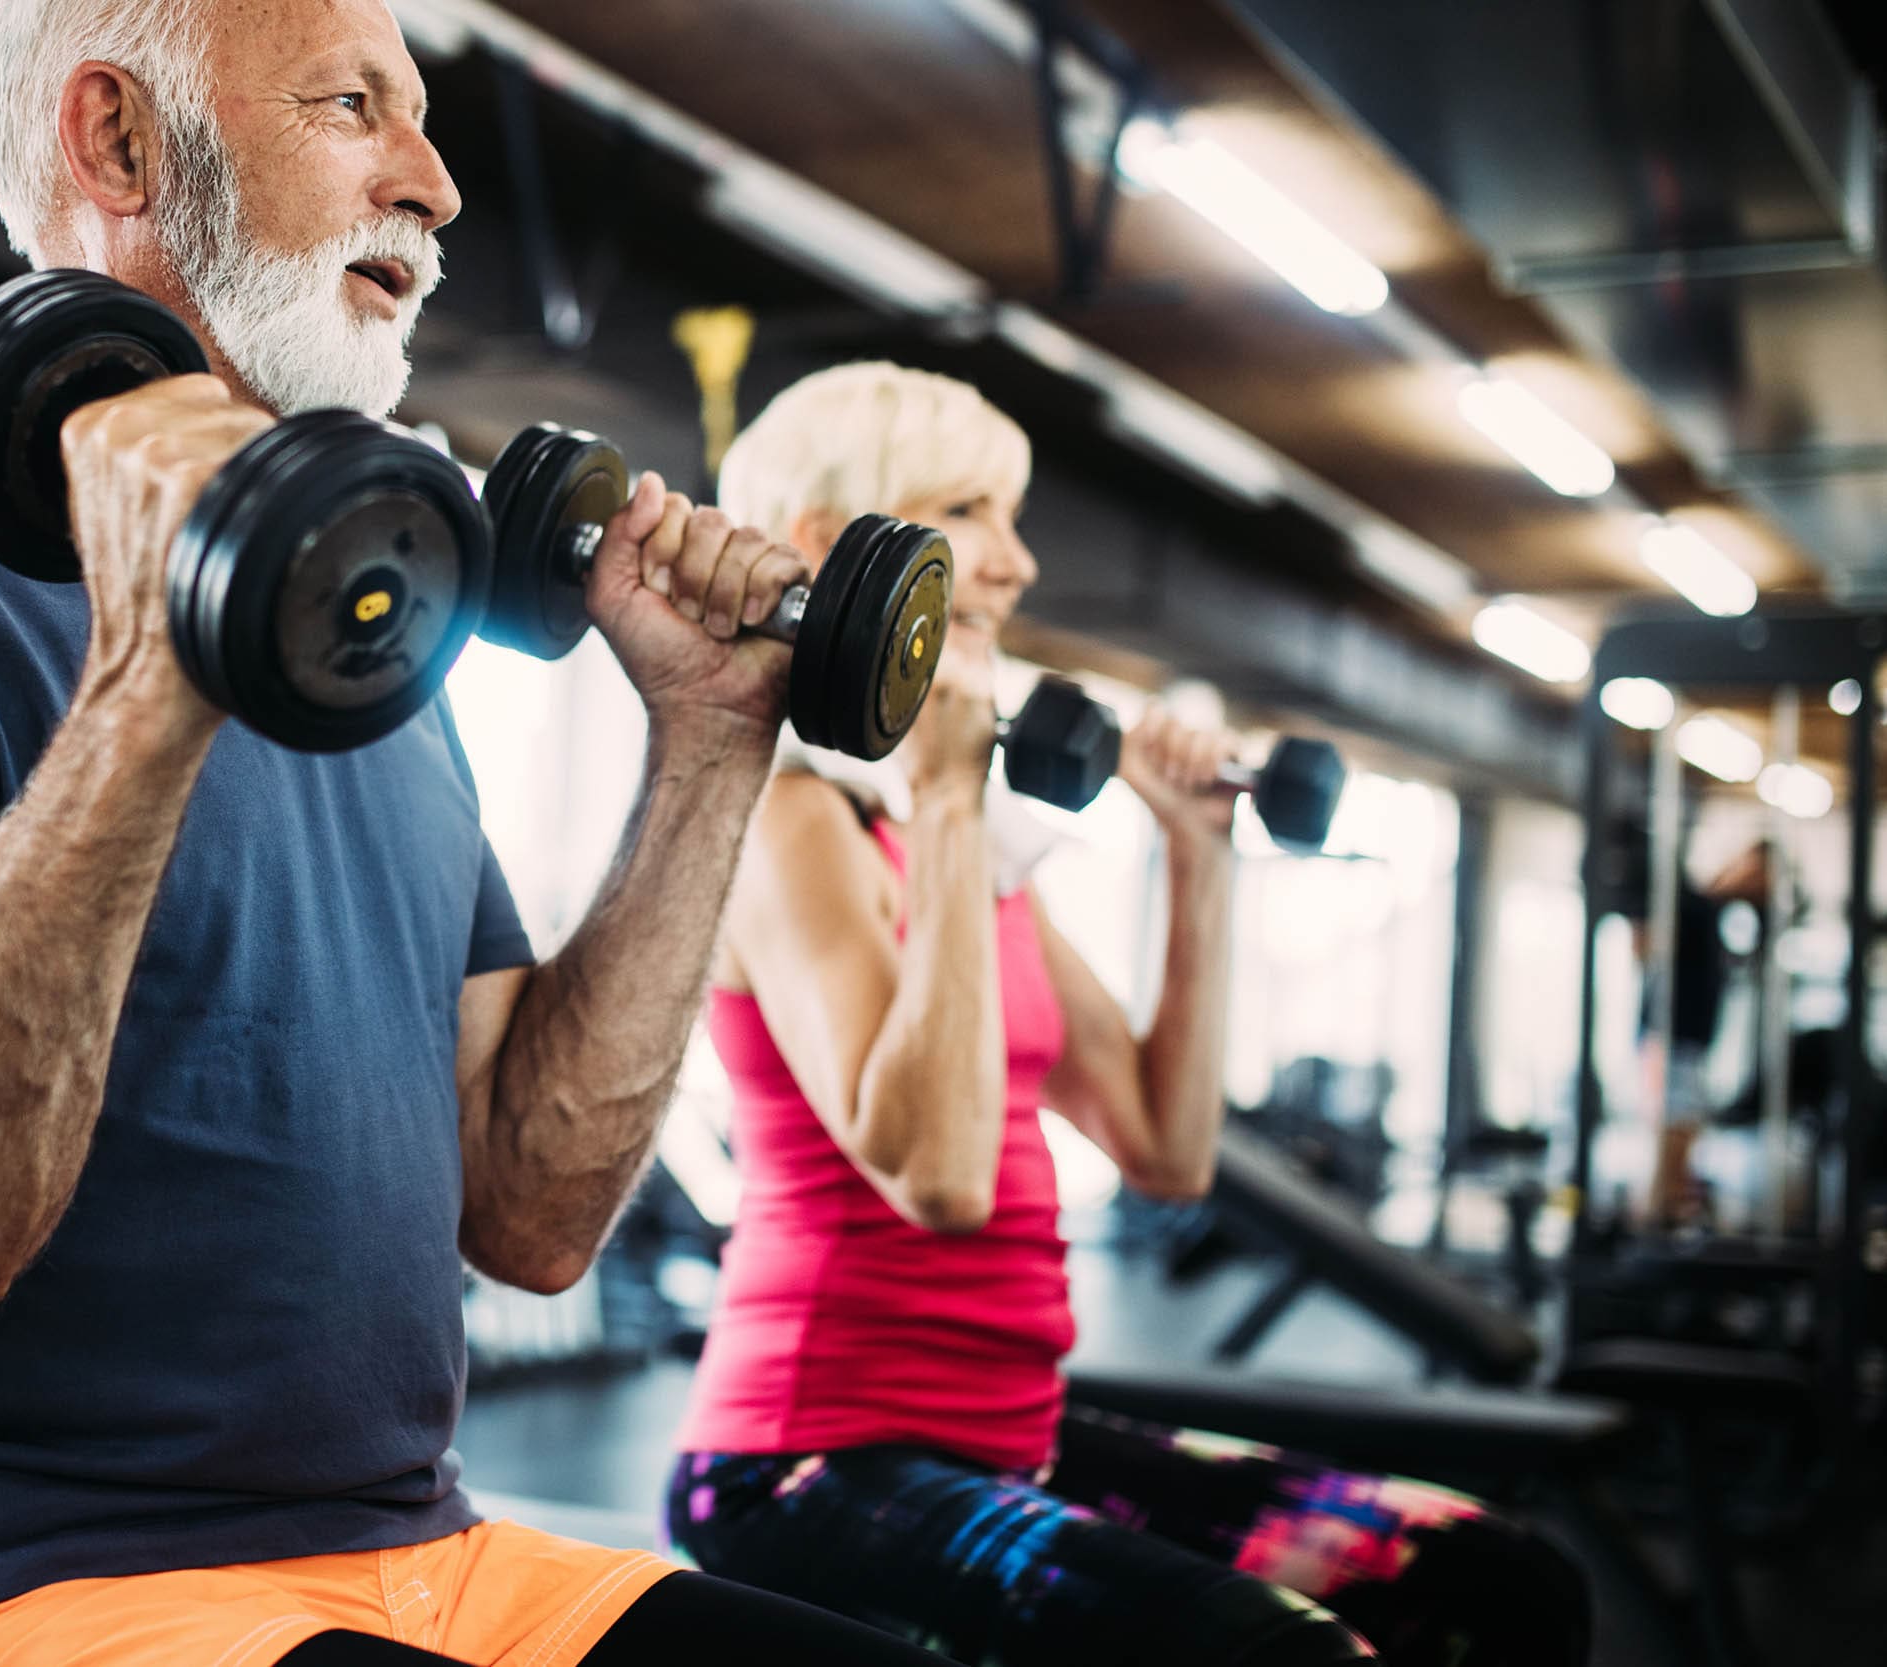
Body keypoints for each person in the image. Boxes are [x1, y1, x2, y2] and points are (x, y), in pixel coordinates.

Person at [0, 5, 962, 1664]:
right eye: (354, 106)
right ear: (121, 142)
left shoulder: (369, 640)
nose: (432, 187)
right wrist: (152, 681)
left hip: (422, 1559)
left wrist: (712, 740)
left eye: (418, 122)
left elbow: (534, 1213)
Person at [661, 364, 1592, 1666]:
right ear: (834, 546)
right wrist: (945, 798)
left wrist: (1200, 857)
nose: (1017, 564)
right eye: (971, 512)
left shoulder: (967, 858)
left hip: (1010, 1430)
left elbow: (1167, 1150)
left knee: (1499, 1579)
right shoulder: (795, 823)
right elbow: (935, 1176)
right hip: (813, 1460)